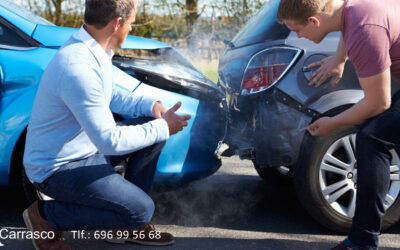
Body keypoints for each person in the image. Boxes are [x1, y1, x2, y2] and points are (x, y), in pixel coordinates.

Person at [22, 0, 191, 249]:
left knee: (153, 127)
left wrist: (150, 106)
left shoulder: (93, 49)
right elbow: (109, 140)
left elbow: (108, 95)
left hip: (86, 150)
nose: (131, 29)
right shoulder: (77, 65)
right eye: (131, 23)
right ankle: (45, 216)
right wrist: (164, 126)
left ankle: (123, 226)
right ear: (117, 23)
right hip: (57, 168)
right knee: (141, 210)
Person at [277, 0, 400, 249]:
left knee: (373, 138)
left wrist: (333, 123)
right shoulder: (351, 9)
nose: (298, 36)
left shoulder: (364, 28)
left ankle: (362, 242)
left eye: (298, 30)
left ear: (314, 21)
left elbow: (378, 103)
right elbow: (349, 22)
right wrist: (339, 57)